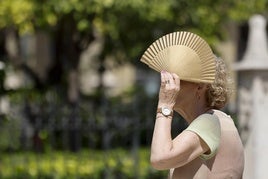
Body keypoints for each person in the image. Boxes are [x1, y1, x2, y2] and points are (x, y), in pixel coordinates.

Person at [149, 56, 245, 178]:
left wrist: (165, 105)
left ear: (200, 85)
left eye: (178, 78)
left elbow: (160, 158)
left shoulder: (209, 122)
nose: (169, 83)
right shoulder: (218, 120)